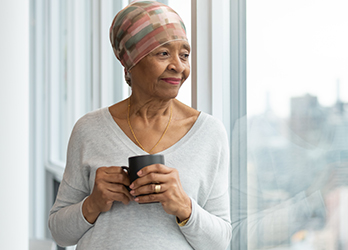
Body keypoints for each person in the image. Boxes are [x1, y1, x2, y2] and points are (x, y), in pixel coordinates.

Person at [48, 1, 231, 249]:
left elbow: (221, 242)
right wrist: (93, 203)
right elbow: (60, 233)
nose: (178, 66)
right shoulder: (89, 129)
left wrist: (184, 207)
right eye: (163, 53)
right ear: (130, 62)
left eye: (184, 54)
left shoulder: (210, 133)